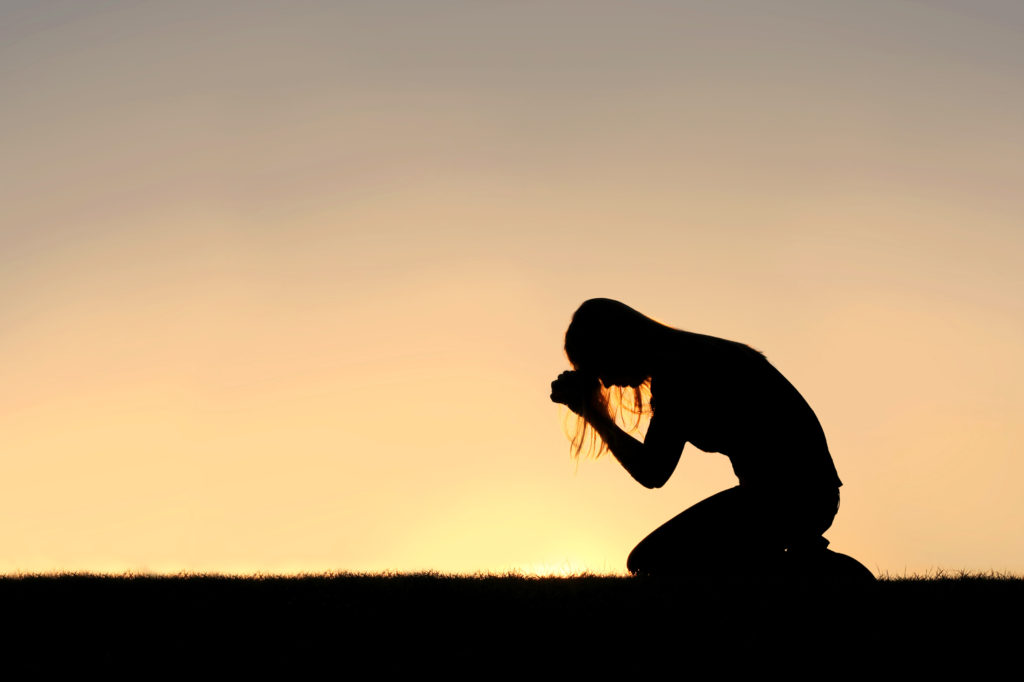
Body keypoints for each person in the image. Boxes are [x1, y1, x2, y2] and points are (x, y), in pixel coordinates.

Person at [549, 298, 843, 577]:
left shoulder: (678, 371)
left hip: (789, 498)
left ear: (617, 344)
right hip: (799, 495)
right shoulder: (689, 354)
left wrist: (596, 417)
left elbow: (653, 471)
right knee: (657, 558)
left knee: (651, 561)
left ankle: (811, 569)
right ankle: (800, 559)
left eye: (601, 367)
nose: (608, 382)